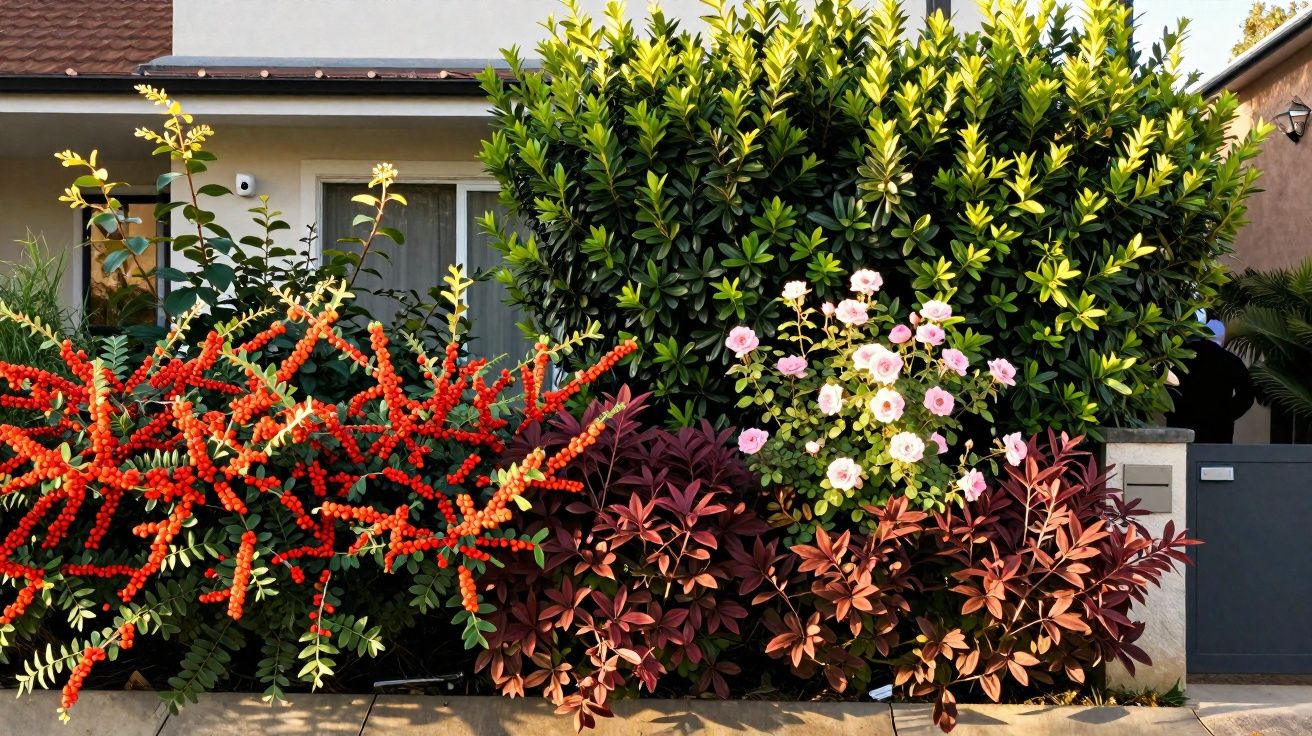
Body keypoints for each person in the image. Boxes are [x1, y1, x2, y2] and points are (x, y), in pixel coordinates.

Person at [1165, 319, 1255, 443]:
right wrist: (1226, 416)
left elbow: (1166, 388)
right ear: (1223, 339)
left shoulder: (1182, 356)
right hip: (1218, 431)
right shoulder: (1230, 361)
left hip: (1182, 427)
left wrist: (1173, 413)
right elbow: (1247, 394)